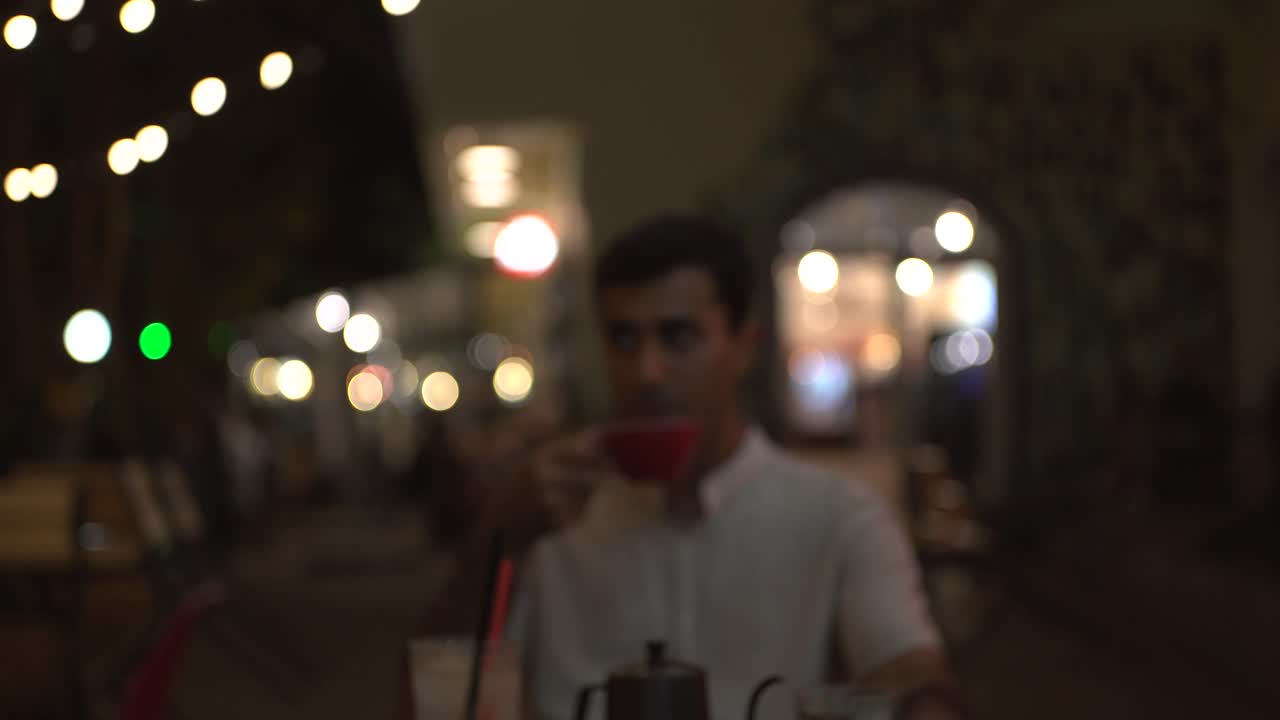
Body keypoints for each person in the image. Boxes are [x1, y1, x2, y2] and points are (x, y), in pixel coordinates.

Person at [417, 215, 963, 720]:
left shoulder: (837, 516)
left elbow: (907, 669)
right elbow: (440, 703)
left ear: (743, 346)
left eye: (678, 337)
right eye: (623, 340)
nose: (647, 372)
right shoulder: (549, 515)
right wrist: (496, 541)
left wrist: (917, 701)